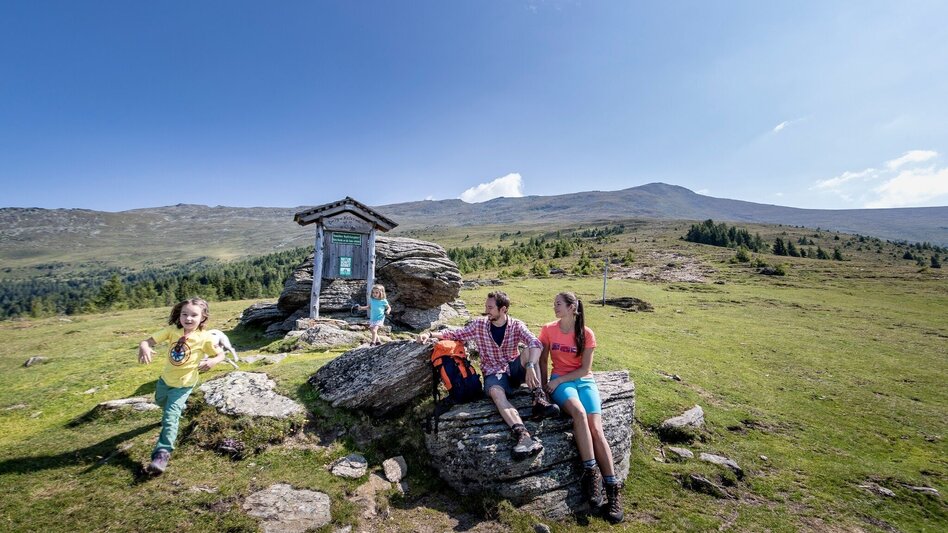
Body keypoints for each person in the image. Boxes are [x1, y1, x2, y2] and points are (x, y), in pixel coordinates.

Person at [418, 291, 559, 460]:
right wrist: (430, 334)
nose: (486, 311)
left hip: (513, 369)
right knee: (495, 393)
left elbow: (535, 342)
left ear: (503, 309)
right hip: (493, 373)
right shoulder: (479, 325)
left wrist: (529, 365)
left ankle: (539, 400)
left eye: (490, 308)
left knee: (530, 350)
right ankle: (523, 435)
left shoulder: (516, 325)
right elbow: (456, 334)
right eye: (486, 306)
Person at [539, 291, 623, 523]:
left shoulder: (587, 333)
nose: (555, 307)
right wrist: (545, 388)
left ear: (571, 307)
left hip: (583, 381)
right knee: (578, 413)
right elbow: (543, 360)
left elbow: (585, 370)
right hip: (560, 381)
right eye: (554, 303)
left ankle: (612, 490)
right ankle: (591, 473)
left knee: (597, 429)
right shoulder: (548, 329)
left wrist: (559, 381)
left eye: (558, 304)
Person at [137, 297, 226, 475]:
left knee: (170, 418)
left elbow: (220, 354)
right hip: (165, 381)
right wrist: (144, 346)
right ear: (179, 315)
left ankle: (162, 454)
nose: (188, 318)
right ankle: (179, 408)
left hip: (183, 385)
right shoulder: (172, 331)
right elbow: (148, 341)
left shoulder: (205, 338)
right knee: (160, 402)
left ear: (203, 317)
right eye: (184, 314)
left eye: (194, 315)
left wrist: (213, 361)